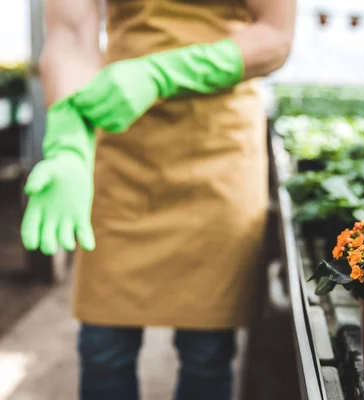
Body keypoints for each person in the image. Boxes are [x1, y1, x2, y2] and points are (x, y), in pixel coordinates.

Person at [20, 0, 296, 399]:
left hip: (217, 148)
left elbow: (275, 35)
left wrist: (161, 72)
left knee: (208, 351)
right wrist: (68, 145)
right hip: (121, 137)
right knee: (103, 347)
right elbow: (71, 33)